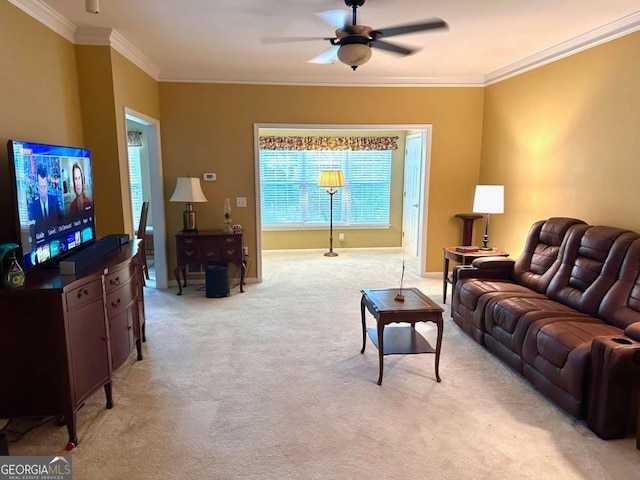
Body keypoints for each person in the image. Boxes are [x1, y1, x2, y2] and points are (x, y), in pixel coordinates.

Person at [28, 165, 60, 229]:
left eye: (44, 186)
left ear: (47, 185)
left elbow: (60, 223)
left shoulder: (54, 201)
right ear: (37, 186)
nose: (43, 190)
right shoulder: (32, 207)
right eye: (41, 187)